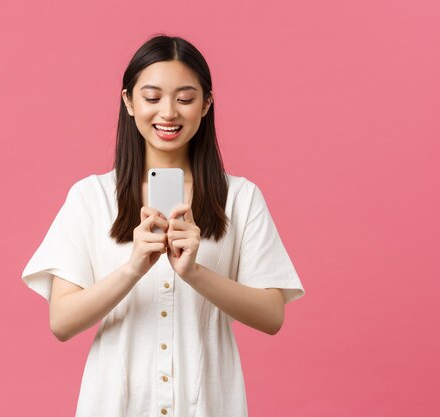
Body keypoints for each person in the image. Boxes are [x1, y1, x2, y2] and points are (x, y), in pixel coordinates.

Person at [21, 34, 305, 417]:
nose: (168, 113)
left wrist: (194, 271)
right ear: (128, 102)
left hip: (207, 404)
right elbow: (62, 322)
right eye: (152, 98)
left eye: (185, 99)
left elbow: (272, 316)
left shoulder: (239, 197)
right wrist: (133, 268)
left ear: (206, 104)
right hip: (116, 405)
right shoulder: (91, 197)